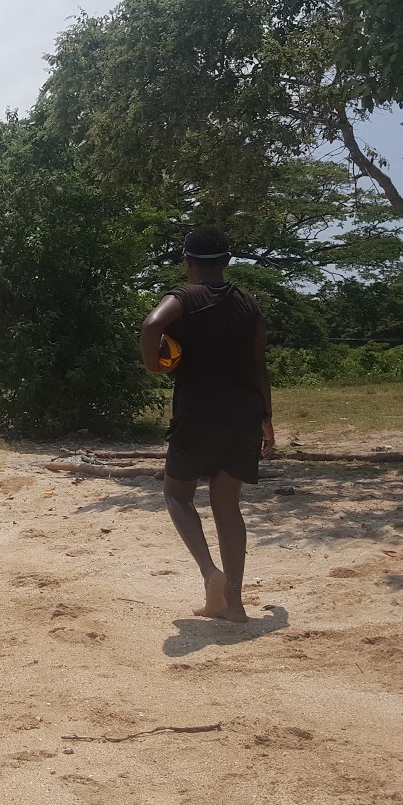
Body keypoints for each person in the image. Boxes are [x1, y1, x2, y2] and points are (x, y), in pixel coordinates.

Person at [140, 227, 274, 623]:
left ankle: (208, 572)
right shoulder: (248, 304)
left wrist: (153, 364)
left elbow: (152, 326)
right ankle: (233, 603)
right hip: (244, 412)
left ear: (188, 263)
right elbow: (258, 365)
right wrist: (266, 419)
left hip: (198, 412)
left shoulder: (183, 297)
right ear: (228, 261)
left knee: (177, 495)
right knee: (228, 507)